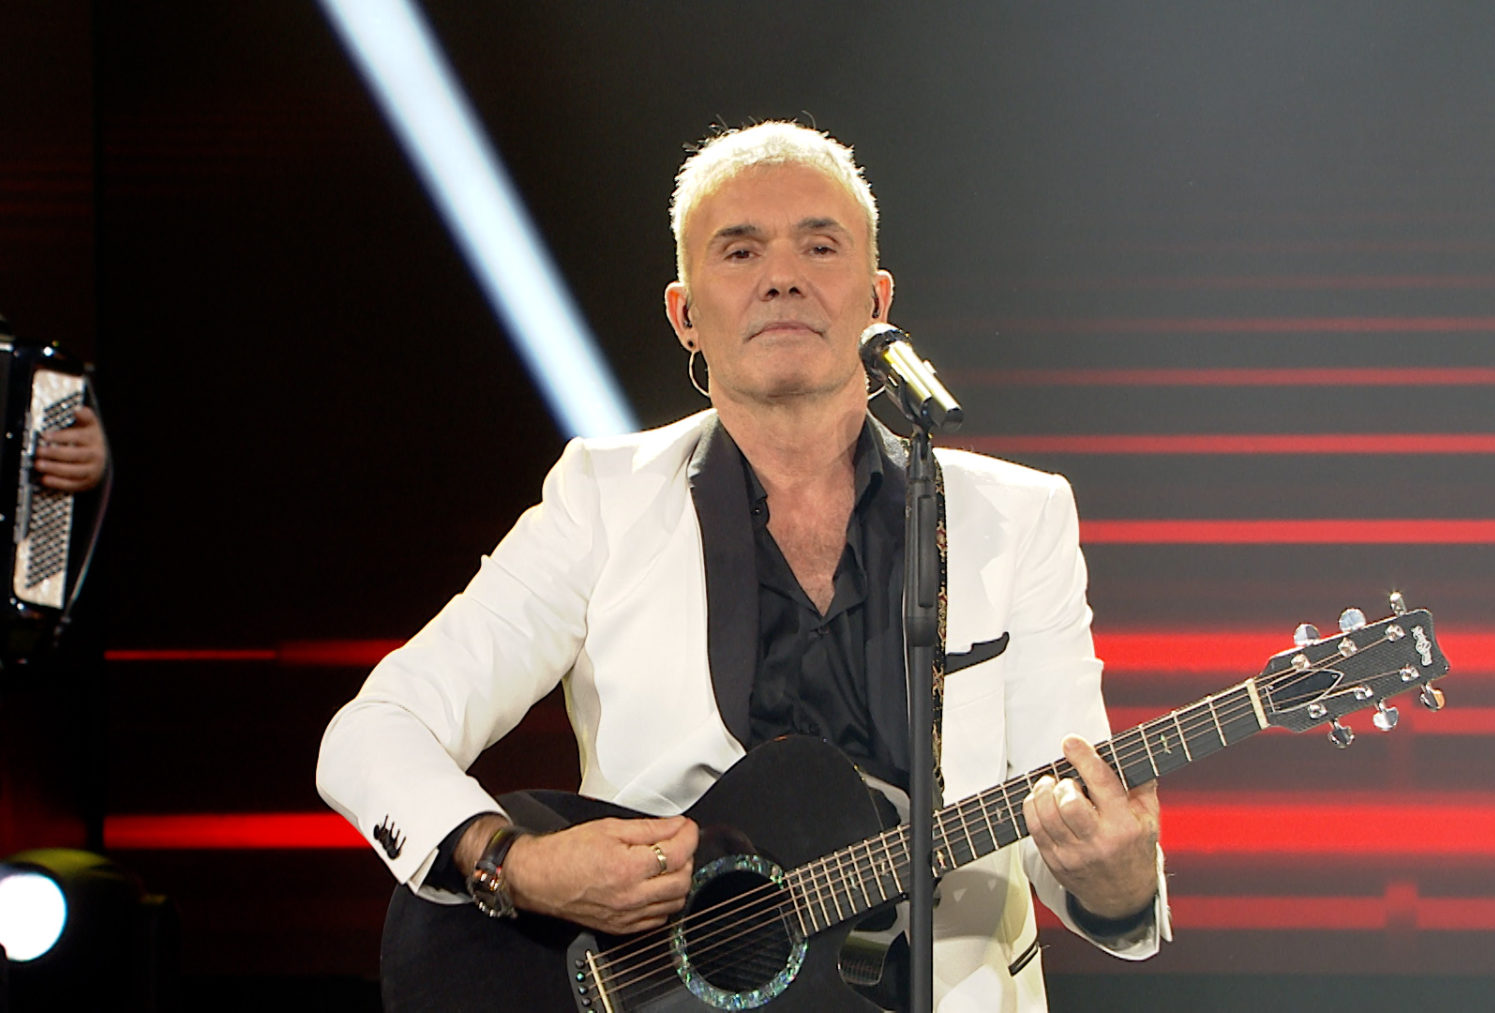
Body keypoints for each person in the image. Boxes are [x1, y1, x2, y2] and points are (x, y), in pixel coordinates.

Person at [317, 121, 1169, 1010]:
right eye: (740, 250)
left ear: (877, 299)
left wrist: (1115, 877)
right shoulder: (601, 499)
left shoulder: (1017, 516)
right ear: (685, 315)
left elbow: (1074, 841)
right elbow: (374, 731)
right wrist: (511, 862)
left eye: (820, 246)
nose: (783, 276)